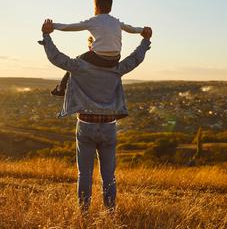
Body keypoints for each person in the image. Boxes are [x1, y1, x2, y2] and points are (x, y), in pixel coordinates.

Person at [38, 19, 152, 213]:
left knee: (84, 174)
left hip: (86, 125)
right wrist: (145, 40)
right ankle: (110, 212)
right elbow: (135, 59)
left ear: (93, 46)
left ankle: (84, 213)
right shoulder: (116, 68)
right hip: (109, 126)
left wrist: (47, 36)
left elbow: (56, 58)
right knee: (109, 175)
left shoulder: (80, 66)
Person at [50, 0, 150, 96]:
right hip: (115, 59)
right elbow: (131, 29)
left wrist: (53, 26)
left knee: (75, 63)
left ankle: (61, 87)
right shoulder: (116, 22)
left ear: (96, 7)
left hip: (98, 57)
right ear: (110, 8)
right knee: (85, 58)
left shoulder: (93, 21)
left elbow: (70, 27)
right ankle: (63, 86)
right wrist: (143, 30)